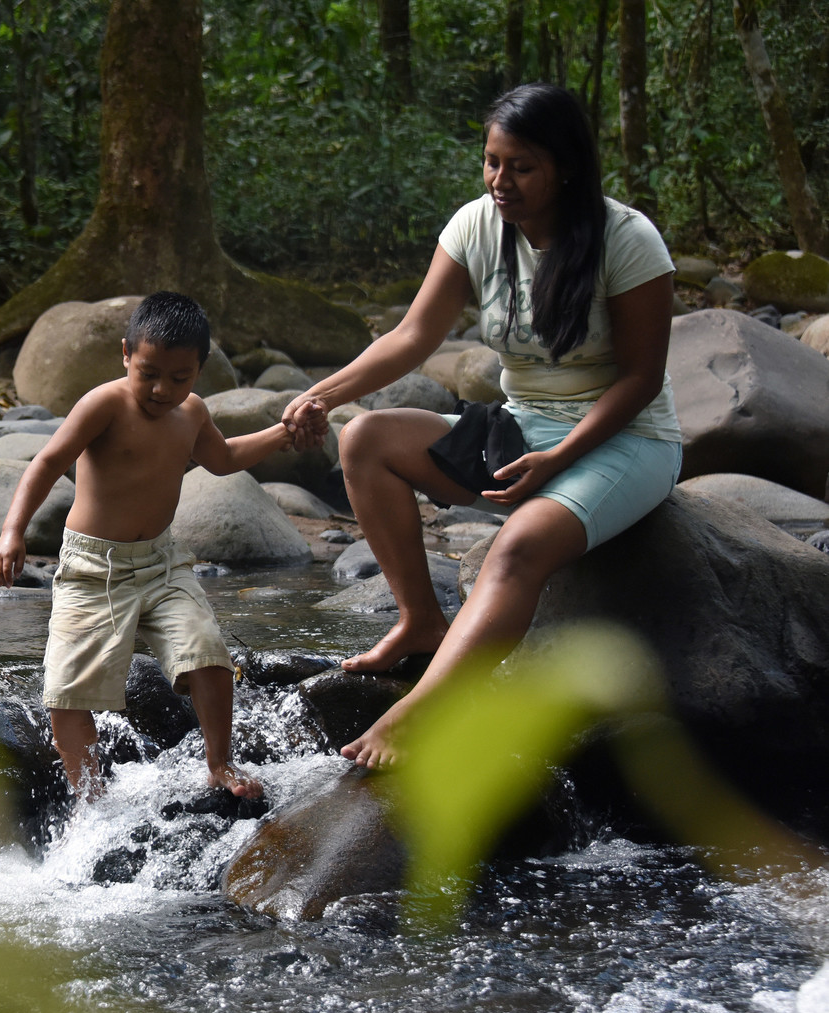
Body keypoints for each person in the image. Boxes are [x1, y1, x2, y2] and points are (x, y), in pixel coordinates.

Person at [281, 83, 681, 768]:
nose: (501, 180)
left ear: (566, 168)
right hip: (519, 427)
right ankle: (420, 622)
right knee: (366, 440)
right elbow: (411, 336)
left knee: (516, 549)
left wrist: (561, 461)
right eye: (492, 161)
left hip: (625, 438)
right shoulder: (475, 226)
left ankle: (423, 713)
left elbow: (640, 380)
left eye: (521, 166)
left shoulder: (627, 238)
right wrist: (321, 393)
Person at [0, 291, 289, 800]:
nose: (160, 389)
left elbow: (224, 458)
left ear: (199, 369)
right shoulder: (104, 404)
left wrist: (283, 432)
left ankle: (220, 766)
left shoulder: (191, 412)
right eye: (147, 372)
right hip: (92, 568)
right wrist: (13, 530)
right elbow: (46, 462)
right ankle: (90, 798)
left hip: (162, 563)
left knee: (208, 656)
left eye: (178, 377)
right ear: (126, 352)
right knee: (66, 693)